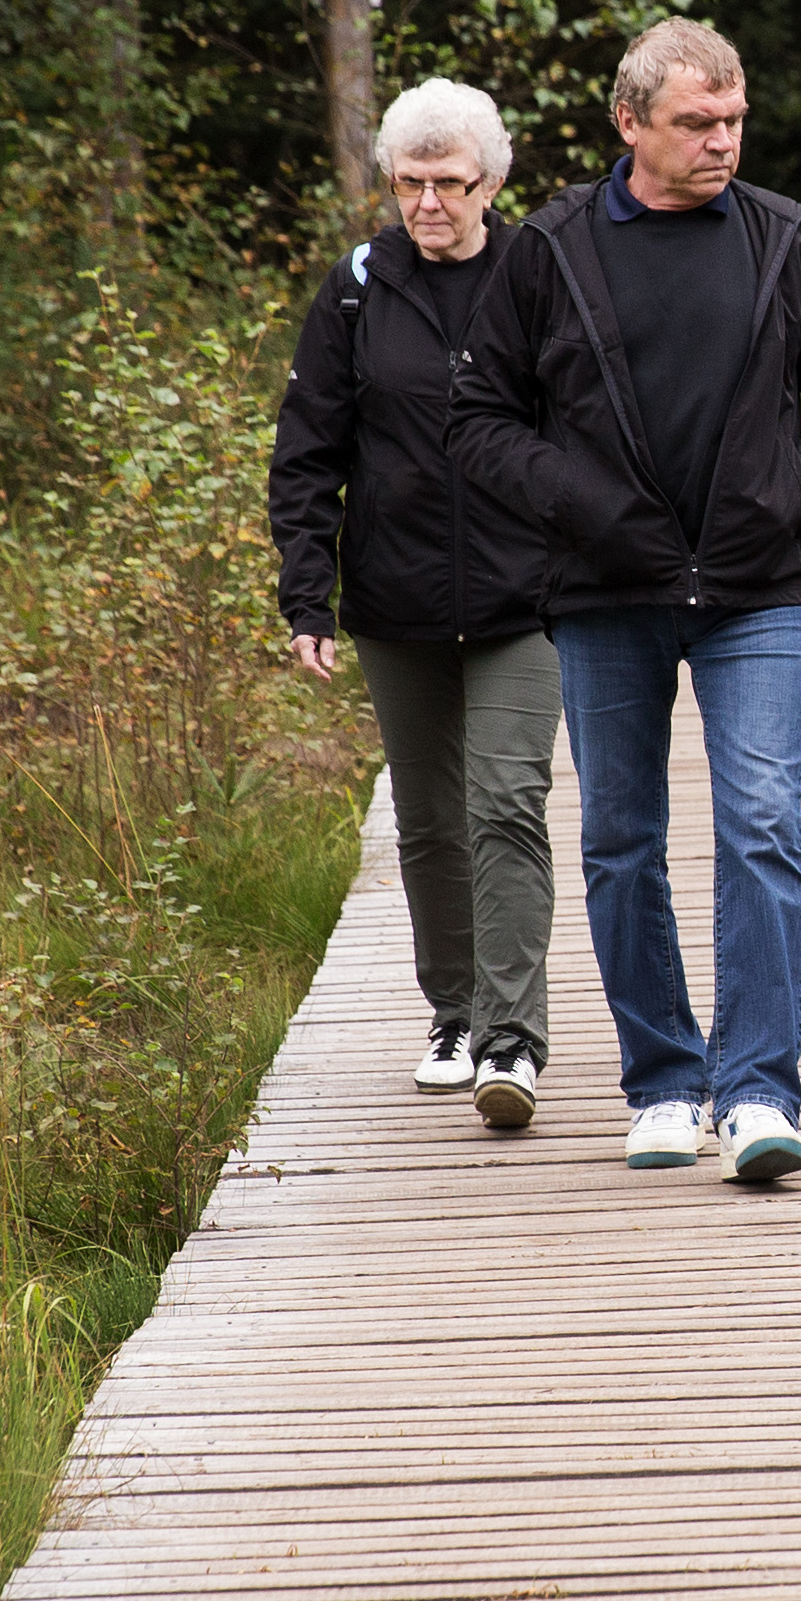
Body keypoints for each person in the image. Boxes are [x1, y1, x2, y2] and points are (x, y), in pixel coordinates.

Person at [446, 17, 801, 1182]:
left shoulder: (790, 241)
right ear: (629, 121)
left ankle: (755, 1091)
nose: (723, 142)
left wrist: (794, 489)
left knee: (761, 827)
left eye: (736, 121)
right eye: (699, 123)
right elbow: (478, 421)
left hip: (757, 590)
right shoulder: (548, 252)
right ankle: (662, 1082)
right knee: (622, 839)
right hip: (604, 592)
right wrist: (580, 504)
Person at [265, 78, 561, 1131]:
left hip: (525, 596)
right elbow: (308, 453)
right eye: (409, 184)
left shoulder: (540, 274)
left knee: (505, 803)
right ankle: (456, 1013)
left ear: (491, 182)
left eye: (449, 183)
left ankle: (515, 1041)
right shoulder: (356, 289)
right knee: (429, 820)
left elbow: (586, 424)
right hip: (394, 599)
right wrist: (309, 593)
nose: (428, 204)